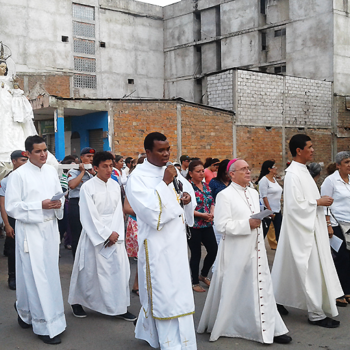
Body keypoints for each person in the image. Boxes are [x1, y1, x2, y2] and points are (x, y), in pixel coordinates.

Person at [197, 158, 291, 345]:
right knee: (237, 289)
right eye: (243, 169)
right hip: (235, 250)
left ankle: (271, 328)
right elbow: (221, 225)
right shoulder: (225, 195)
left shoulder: (253, 192)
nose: (249, 172)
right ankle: (235, 324)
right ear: (232, 174)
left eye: (249, 168)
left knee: (261, 286)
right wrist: (246, 224)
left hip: (256, 248)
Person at [126, 132, 197, 350]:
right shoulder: (137, 178)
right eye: (160, 150)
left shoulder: (173, 172)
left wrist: (186, 199)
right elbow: (150, 213)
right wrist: (165, 183)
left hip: (176, 243)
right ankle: (168, 342)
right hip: (156, 245)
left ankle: (182, 340)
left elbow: (187, 197)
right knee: (163, 294)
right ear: (148, 152)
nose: (166, 154)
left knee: (179, 292)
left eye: (168, 149)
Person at [271, 134, 343, 328]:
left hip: (312, 226)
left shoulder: (303, 171)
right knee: (309, 270)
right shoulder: (293, 174)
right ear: (298, 151)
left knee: (288, 268)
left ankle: (276, 299)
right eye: (309, 147)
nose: (312, 150)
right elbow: (294, 206)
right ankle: (316, 314)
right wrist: (318, 202)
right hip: (303, 231)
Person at [5, 135, 66, 345]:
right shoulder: (18, 176)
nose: (43, 154)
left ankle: (26, 311)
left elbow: (59, 194)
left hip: (50, 228)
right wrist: (39, 205)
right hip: (30, 230)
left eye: (45, 150)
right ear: (28, 153)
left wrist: (58, 204)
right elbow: (12, 206)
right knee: (36, 276)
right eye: (38, 151)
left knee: (48, 275)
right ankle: (44, 325)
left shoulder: (50, 170)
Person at [68, 151, 136, 321]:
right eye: (104, 166)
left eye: (111, 166)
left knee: (119, 271)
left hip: (115, 233)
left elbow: (117, 211)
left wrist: (116, 233)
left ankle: (119, 307)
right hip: (95, 235)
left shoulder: (114, 185)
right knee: (89, 273)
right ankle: (78, 302)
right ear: (96, 168)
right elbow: (88, 215)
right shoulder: (87, 187)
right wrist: (106, 234)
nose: (109, 169)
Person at [321, 151, 350, 307]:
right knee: (341, 258)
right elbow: (325, 204)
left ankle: (347, 289)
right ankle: (337, 292)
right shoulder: (331, 181)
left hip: (349, 223)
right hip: (336, 224)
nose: (349, 165)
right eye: (346, 162)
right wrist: (327, 225)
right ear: (338, 165)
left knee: (349, 258)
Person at [187, 160, 217, 293]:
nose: (201, 173)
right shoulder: (188, 188)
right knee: (196, 254)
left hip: (207, 224)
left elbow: (212, 202)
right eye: (198, 171)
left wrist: (211, 213)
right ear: (190, 173)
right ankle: (194, 282)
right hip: (194, 225)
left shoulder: (206, 186)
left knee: (213, 250)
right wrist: (201, 215)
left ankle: (203, 275)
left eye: (202, 171)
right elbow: (185, 208)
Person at [0, 150, 28, 290]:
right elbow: (3, 204)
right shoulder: (6, 180)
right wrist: (7, 224)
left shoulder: (30, 178)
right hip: (13, 219)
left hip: (28, 217)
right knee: (13, 249)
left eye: (27, 160)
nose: (25, 163)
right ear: (14, 161)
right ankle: (12, 277)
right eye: (22, 160)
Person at [68, 147, 95, 257]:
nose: (91, 159)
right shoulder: (73, 171)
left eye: (92, 157)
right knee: (77, 234)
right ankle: (77, 260)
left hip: (91, 204)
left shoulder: (94, 172)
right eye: (88, 156)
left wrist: (93, 173)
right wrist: (82, 171)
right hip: (76, 203)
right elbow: (72, 185)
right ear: (81, 157)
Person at [256, 160, 283, 241]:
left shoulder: (274, 180)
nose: (276, 168)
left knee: (279, 231)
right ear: (269, 169)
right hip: (268, 210)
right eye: (274, 167)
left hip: (277, 209)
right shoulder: (264, 180)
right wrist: (269, 210)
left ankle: (280, 251)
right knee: (264, 231)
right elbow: (264, 196)